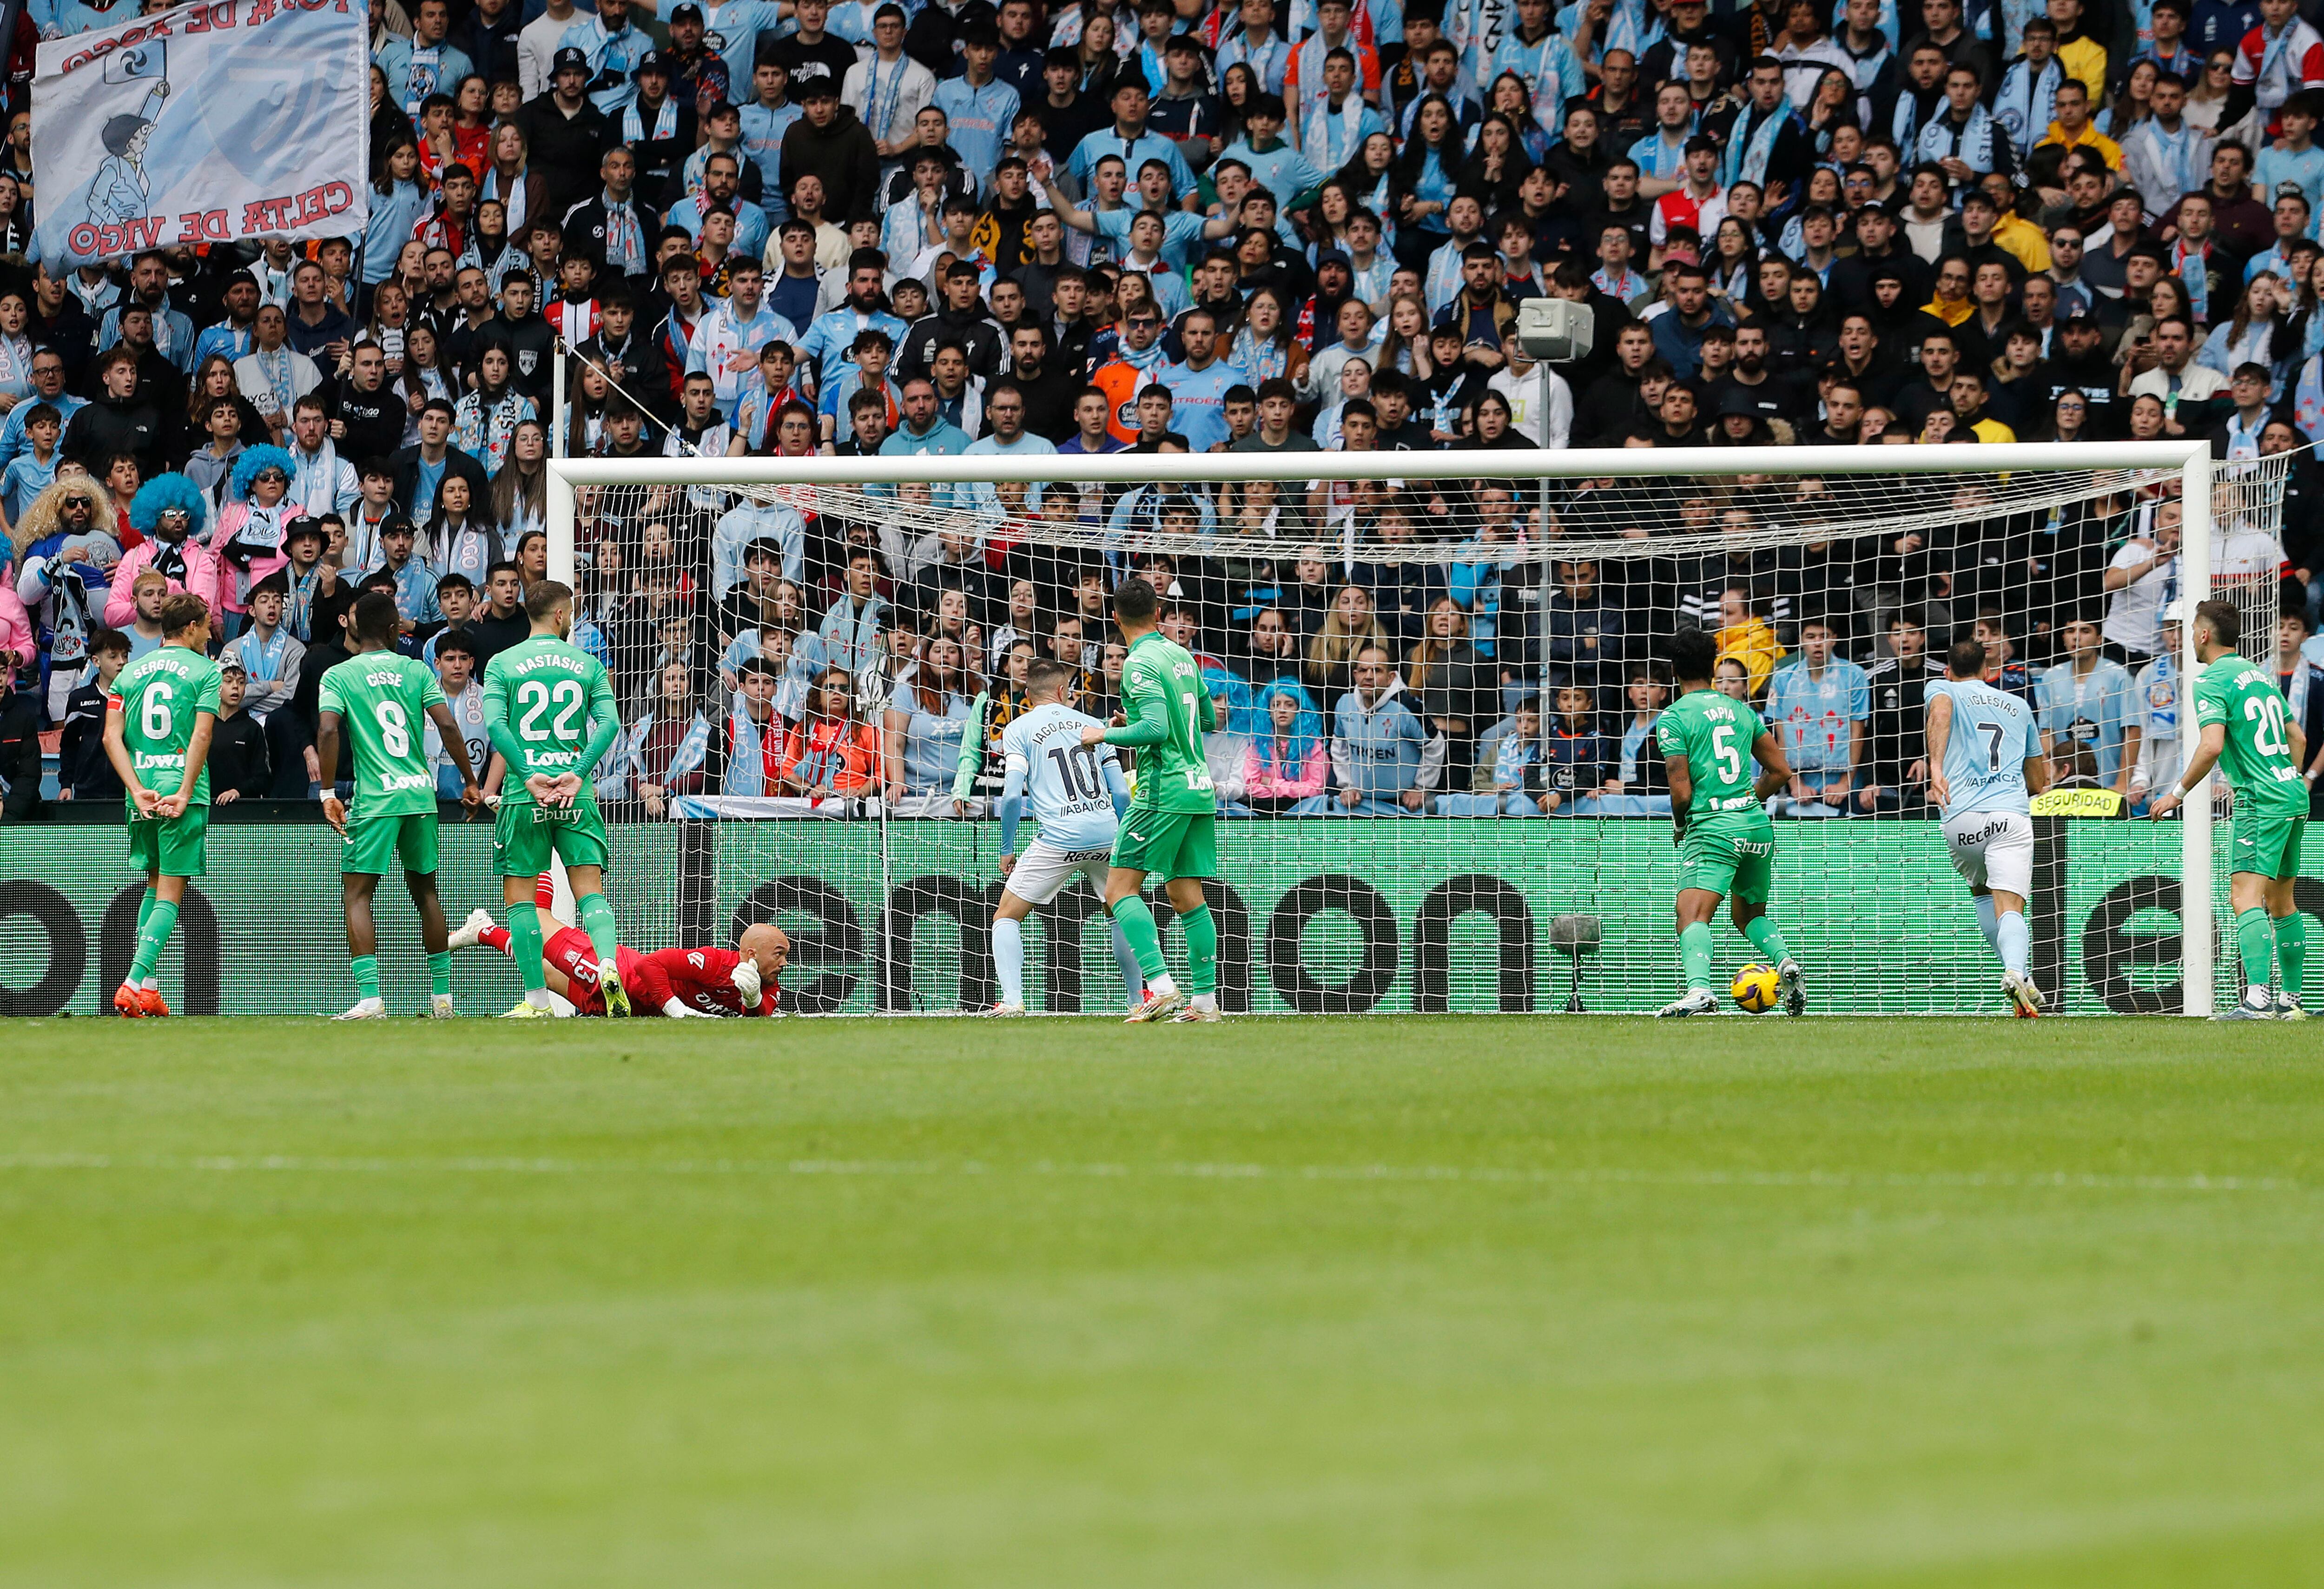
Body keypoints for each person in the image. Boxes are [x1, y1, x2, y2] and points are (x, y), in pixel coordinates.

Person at [316, 591, 485, 1020]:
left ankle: (372, 998)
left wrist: (328, 791)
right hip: (420, 794)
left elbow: (329, 731)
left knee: (357, 893)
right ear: (395, 630)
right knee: (426, 891)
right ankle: (442, 998)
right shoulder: (415, 669)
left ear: (354, 628)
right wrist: (470, 781)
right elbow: (447, 723)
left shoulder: (338, 675)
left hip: (376, 798)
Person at [2148, 599, 2312, 1019]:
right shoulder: (2258, 674)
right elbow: (2299, 738)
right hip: (2292, 794)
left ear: (2203, 634)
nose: (2189, 637)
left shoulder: (2211, 680)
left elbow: (2212, 745)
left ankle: (2257, 1000)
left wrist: (2176, 794)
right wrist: (2284, 777)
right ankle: (2291, 1004)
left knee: (2244, 897)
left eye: (2191, 630)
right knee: (2282, 902)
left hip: (2261, 800)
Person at [1079, 576, 1223, 1023]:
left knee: (1120, 890)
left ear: (1116, 617)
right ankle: (1205, 1004)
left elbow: (1157, 730)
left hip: (1163, 790)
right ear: (1159, 613)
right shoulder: (1181, 655)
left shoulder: (1137, 664)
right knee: (1185, 894)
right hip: (1199, 789)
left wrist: (1105, 732)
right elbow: (1210, 718)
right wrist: (1137, 718)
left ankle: (1160, 987)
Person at [480, 578, 626, 1018]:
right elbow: (609, 724)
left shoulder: (502, 664)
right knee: (591, 894)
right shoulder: (586, 665)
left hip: (528, 795)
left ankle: (537, 1001)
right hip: (573, 793)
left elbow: (496, 726)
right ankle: (607, 965)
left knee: (522, 900)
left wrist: (527, 774)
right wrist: (578, 775)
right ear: (562, 615)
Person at [1653, 624, 1808, 1019]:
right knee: (1749, 916)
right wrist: (1746, 803)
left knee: (1691, 913)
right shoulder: (1742, 711)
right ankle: (1786, 962)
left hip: (1714, 829)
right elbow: (1780, 771)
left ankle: (1700, 991)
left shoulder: (1673, 718)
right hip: (1756, 827)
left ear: (1673, 670)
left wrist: (1680, 825)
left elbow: (1682, 792)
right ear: (1713, 664)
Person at [989, 656, 1148, 1015]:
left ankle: (1013, 1001)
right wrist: (1125, 840)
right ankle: (1138, 1002)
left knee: (1006, 916)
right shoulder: (1093, 724)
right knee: (1119, 911)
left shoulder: (1018, 729)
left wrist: (1006, 849)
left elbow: (1012, 795)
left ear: (1028, 694)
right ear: (1065, 691)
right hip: (1108, 831)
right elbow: (1122, 793)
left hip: (1060, 836)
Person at [100, 593, 219, 1018]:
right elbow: (202, 737)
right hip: (177, 790)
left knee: (154, 882)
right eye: (206, 625)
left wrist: (134, 788)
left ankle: (149, 988)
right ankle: (133, 982)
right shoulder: (206, 671)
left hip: (143, 792)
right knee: (172, 888)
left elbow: (112, 738)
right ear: (190, 628)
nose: (210, 632)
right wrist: (186, 791)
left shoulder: (128, 675)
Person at [1926, 635, 2054, 1017]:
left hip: (1959, 817)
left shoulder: (1940, 687)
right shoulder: (2018, 705)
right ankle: (2016, 972)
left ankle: (2023, 978)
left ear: (1949, 671)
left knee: (1982, 892)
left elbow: (1943, 711)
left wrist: (1936, 766)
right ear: (1989, 671)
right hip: (2008, 817)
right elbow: (2037, 782)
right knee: (2010, 905)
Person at [449, 893, 792, 1016]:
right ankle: (533, 849)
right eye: (779, 954)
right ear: (751, 953)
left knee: (546, 973)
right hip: (623, 977)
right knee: (540, 922)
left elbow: (760, 1017)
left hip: (625, 1008)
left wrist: (750, 1002)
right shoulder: (717, 963)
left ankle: (484, 930)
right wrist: (676, 1010)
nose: (785, 963)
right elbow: (650, 964)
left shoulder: (765, 986)